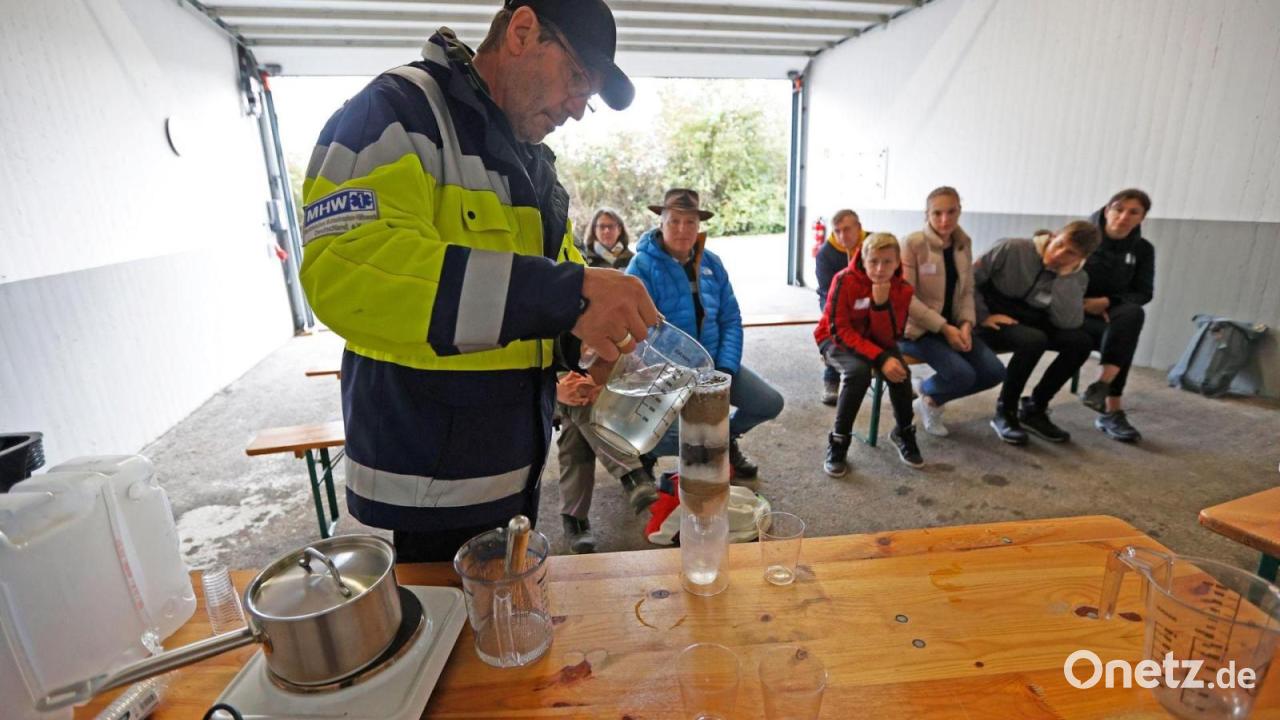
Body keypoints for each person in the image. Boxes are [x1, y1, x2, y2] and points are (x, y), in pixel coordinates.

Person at [299, 0, 660, 563]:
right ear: (522, 31)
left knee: (504, 634)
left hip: (510, 473)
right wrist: (570, 294)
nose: (578, 108)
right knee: (451, 640)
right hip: (427, 485)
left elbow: (532, 298)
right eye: (576, 80)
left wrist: (582, 341)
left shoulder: (531, 163)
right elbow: (346, 269)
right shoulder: (395, 111)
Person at [627, 188, 784, 481]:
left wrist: (725, 369)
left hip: (714, 367)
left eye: (690, 222)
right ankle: (648, 453)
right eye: (674, 221)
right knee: (688, 434)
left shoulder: (712, 263)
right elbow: (639, 330)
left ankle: (727, 439)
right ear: (660, 223)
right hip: (668, 373)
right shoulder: (641, 266)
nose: (682, 229)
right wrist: (681, 375)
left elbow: (731, 318)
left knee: (770, 403)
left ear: (699, 226)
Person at [556, 209, 655, 554]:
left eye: (613, 225)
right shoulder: (576, 271)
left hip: (614, 363)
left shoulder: (634, 263)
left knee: (577, 419)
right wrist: (558, 386)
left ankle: (574, 518)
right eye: (602, 225)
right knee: (580, 406)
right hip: (563, 371)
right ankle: (631, 474)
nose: (608, 231)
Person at [973, 222, 1102, 445]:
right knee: (1033, 340)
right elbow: (968, 281)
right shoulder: (1012, 248)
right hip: (991, 317)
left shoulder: (1077, 277)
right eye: (1059, 244)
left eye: (1070, 253)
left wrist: (1064, 279)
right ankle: (1006, 410)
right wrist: (983, 316)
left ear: (1082, 257)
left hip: (1031, 319)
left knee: (1080, 342)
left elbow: (1068, 322)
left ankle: (1035, 408)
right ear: (1053, 236)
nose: (1060, 253)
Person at [899, 187, 1006, 436]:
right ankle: (931, 397)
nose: (945, 219)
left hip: (953, 327)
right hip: (916, 330)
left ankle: (928, 395)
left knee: (994, 372)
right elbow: (907, 300)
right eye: (937, 213)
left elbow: (967, 290)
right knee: (962, 375)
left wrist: (967, 324)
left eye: (951, 212)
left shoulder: (963, 243)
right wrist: (945, 328)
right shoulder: (912, 243)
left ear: (960, 211)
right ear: (926, 214)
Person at [815, 232, 922, 475]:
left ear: (898, 263)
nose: (880, 268)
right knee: (858, 372)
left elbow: (889, 337)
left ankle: (904, 432)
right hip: (835, 339)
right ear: (863, 259)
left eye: (887, 262)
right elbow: (839, 329)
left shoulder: (903, 289)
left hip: (877, 339)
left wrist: (880, 303)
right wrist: (881, 358)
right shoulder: (844, 280)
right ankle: (839, 441)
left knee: (901, 372)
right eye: (873, 261)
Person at [1078, 189, 1155, 443]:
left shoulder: (1143, 250)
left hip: (1113, 312)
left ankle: (1103, 391)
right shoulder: (1081, 237)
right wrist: (1081, 304)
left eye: (1134, 212)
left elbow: (1143, 292)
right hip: (1074, 309)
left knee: (1131, 318)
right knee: (1124, 333)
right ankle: (1112, 407)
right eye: (1118, 209)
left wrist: (1108, 302)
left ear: (1142, 218)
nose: (1124, 217)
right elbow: (1058, 273)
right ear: (1106, 209)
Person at [815, 209, 866, 405]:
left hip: (866, 296)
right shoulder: (825, 254)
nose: (842, 236)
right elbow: (829, 292)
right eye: (837, 231)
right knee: (835, 328)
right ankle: (831, 380)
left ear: (859, 228)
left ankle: (891, 370)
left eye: (847, 229)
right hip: (832, 299)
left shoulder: (871, 243)